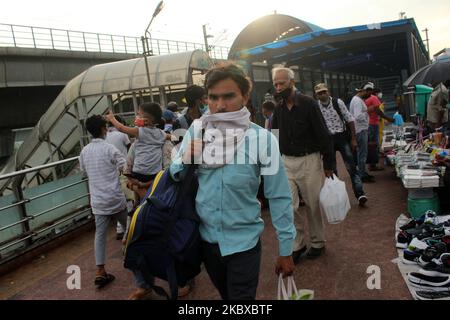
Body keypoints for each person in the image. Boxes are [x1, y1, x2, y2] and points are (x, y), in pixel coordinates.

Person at [170, 62, 296, 300]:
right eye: (213, 97)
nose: (219, 105)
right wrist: (186, 158)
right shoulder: (196, 132)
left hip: (244, 244)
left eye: (228, 96)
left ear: (245, 96)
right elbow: (172, 175)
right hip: (206, 241)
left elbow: (278, 195)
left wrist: (286, 249)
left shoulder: (263, 140)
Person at [271, 67, 333, 263]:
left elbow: (323, 133)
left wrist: (328, 163)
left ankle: (318, 243)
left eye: (282, 83)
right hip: (286, 161)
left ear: (292, 82)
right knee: (288, 205)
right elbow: (274, 136)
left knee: (313, 204)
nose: (279, 87)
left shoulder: (309, 104)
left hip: (310, 160)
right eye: (276, 84)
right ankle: (297, 244)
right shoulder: (278, 108)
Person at [79, 115, 128, 289]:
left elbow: (83, 172)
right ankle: (135, 256)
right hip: (115, 198)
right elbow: (125, 166)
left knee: (99, 236)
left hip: (98, 202)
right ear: (102, 129)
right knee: (129, 227)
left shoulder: (84, 151)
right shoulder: (109, 148)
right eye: (105, 127)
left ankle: (100, 270)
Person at [314, 83, 367, 206]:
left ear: (328, 92)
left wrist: (353, 139)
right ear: (316, 95)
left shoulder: (338, 102)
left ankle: (360, 194)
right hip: (327, 140)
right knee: (331, 170)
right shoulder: (316, 107)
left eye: (324, 92)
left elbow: (350, 120)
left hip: (342, 137)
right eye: (319, 93)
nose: (322, 95)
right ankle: (338, 197)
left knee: (351, 167)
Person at [106, 102, 170, 195]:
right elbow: (172, 137)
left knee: (127, 178)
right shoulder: (161, 134)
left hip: (139, 173)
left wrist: (112, 119)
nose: (136, 117)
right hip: (155, 174)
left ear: (146, 120)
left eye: (138, 114)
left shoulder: (139, 131)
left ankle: (139, 193)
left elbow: (121, 128)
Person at [105, 115, 133, 240]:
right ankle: (128, 229)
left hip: (111, 172)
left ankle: (119, 229)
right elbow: (129, 148)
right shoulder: (122, 135)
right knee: (129, 199)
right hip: (124, 170)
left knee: (119, 200)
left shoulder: (104, 137)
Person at [364, 83, 393, 171]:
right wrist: (388, 118)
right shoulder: (374, 98)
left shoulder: (368, 99)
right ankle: (372, 165)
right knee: (373, 144)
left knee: (372, 144)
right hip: (373, 123)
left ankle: (372, 164)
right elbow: (378, 110)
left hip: (370, 123)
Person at [349, 86, 374, 183]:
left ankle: (362, 172)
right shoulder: (357, 101)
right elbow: (358, 116)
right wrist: (368, 110)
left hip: (361, 129)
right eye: (368, 91)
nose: (369, 94)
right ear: (363, 91)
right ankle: (362, 174)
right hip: (360, 129)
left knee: (362, 153)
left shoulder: (357, 100)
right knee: (362, 153)